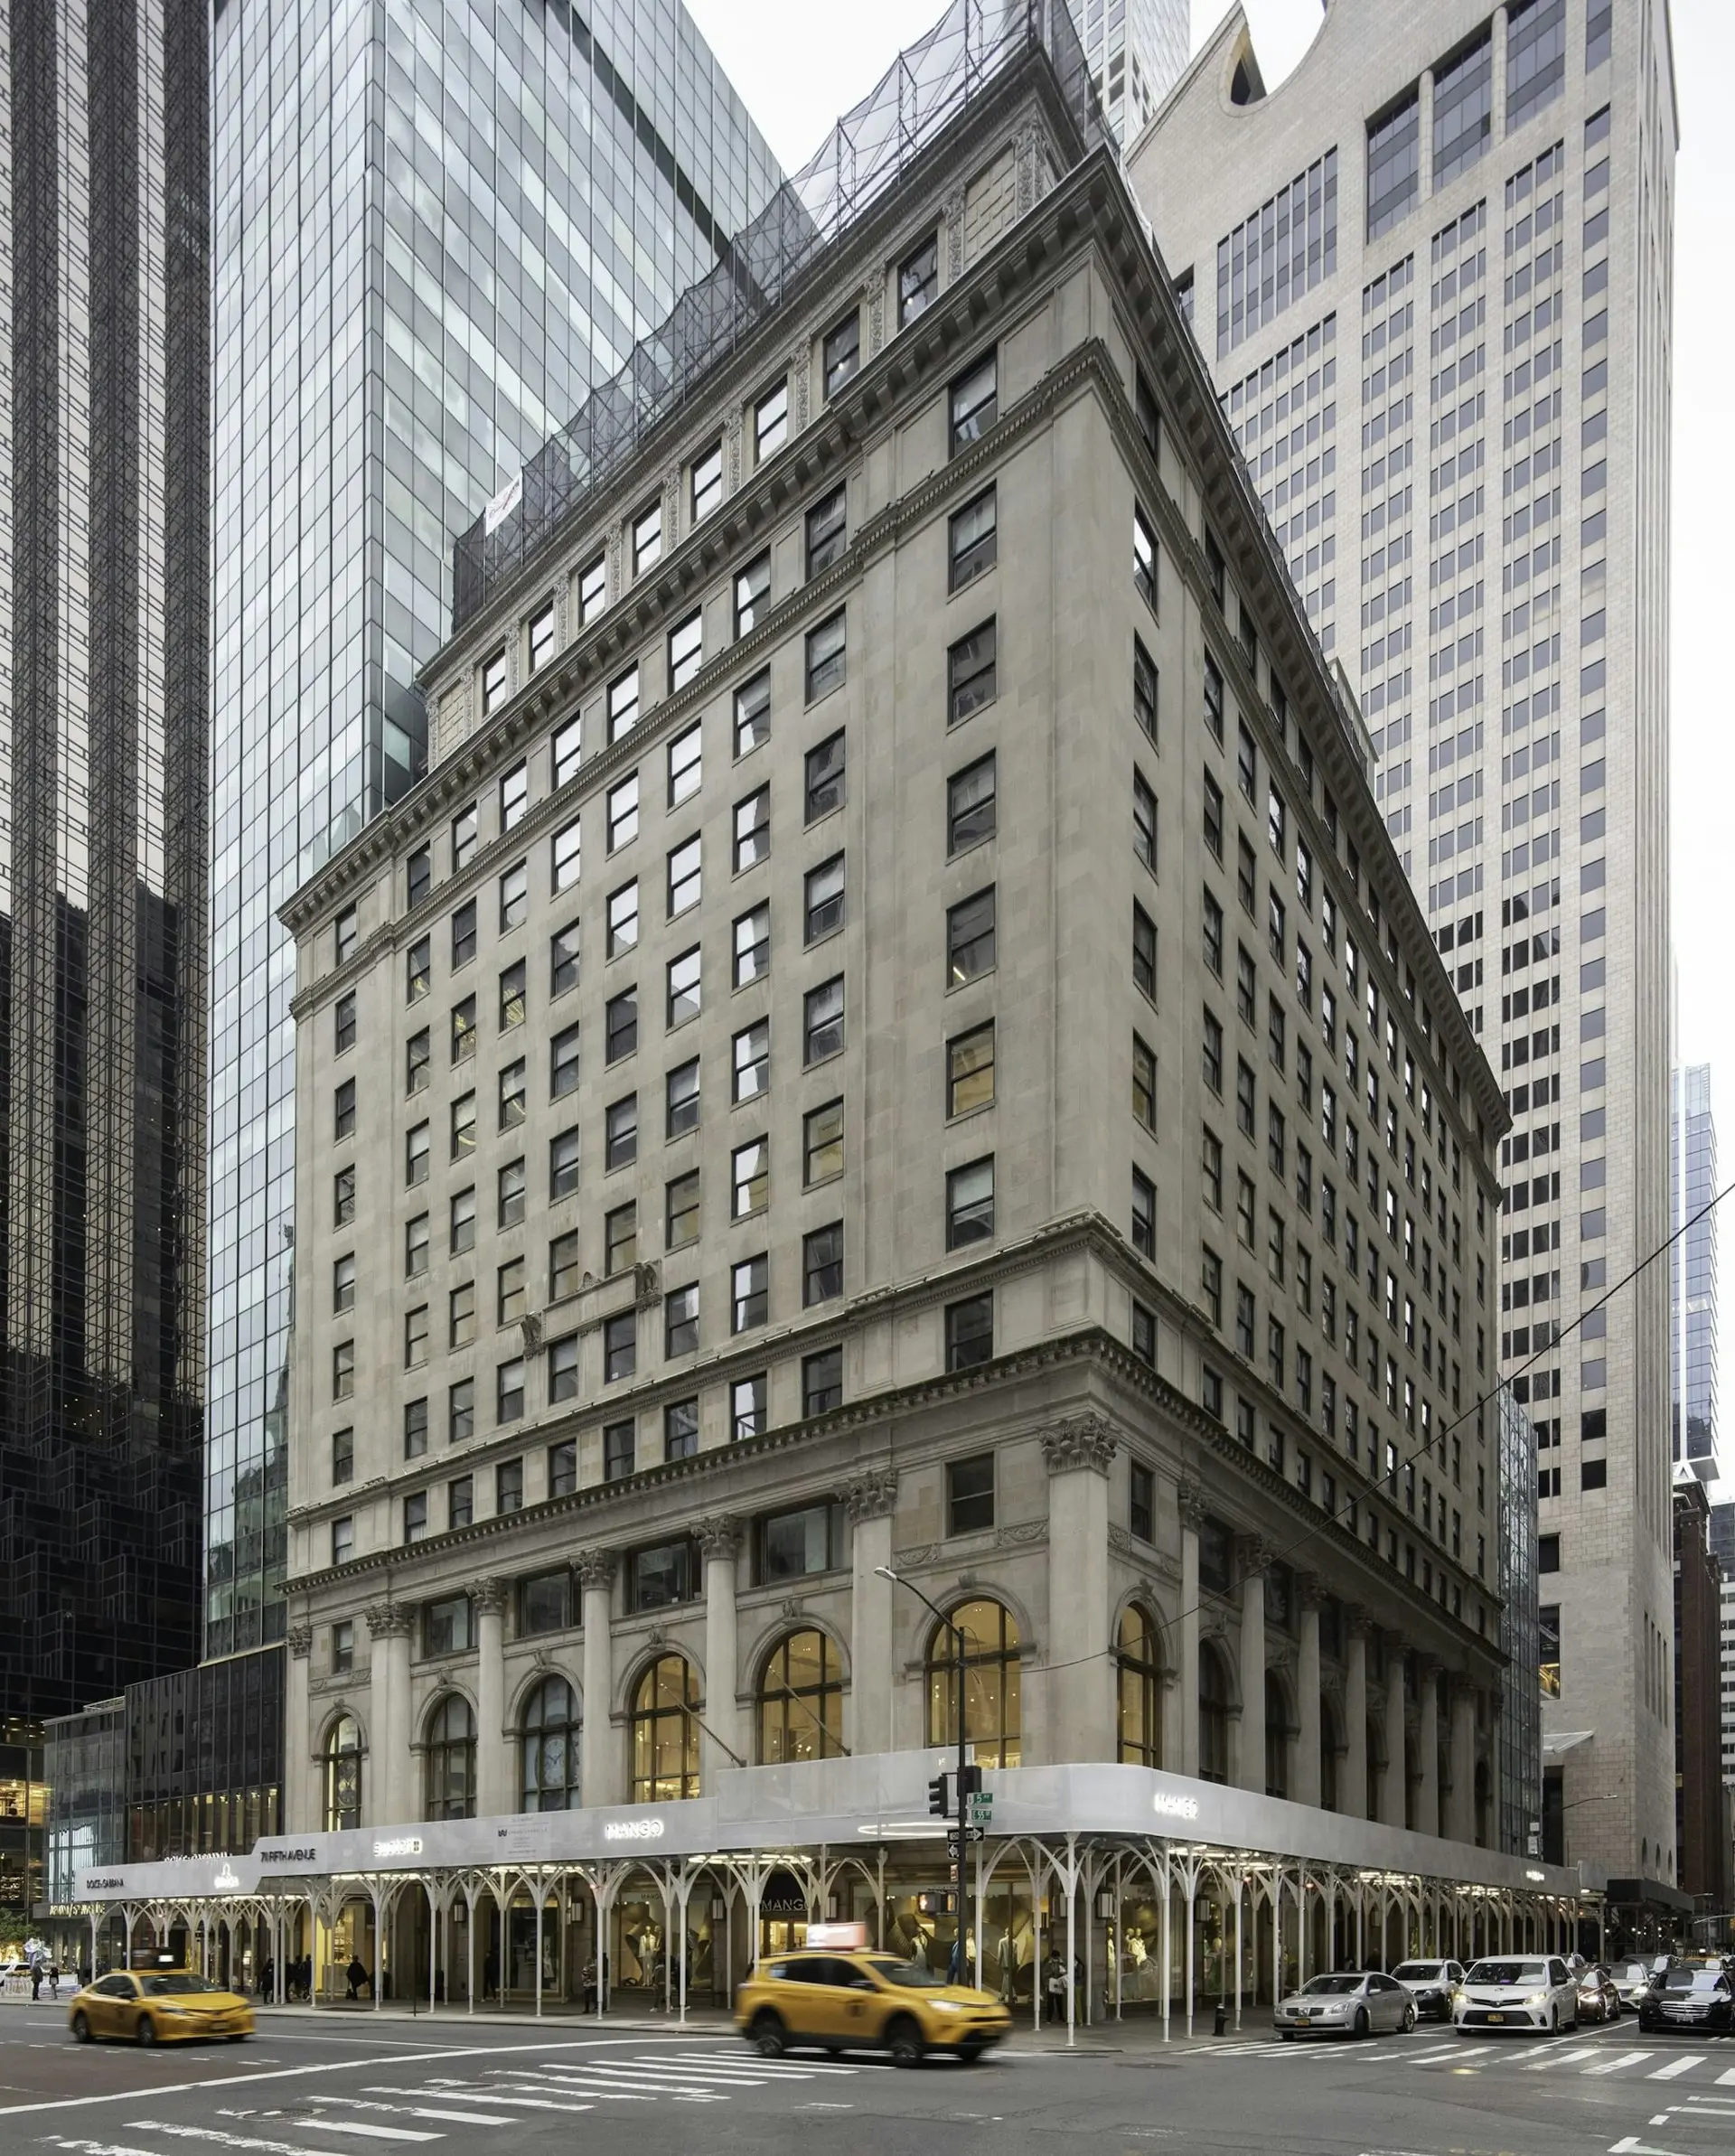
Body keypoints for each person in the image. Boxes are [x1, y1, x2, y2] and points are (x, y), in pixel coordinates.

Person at [1044, 1948, 1066, 2024]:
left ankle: (1061, 2017)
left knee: (1059, 2002)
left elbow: (1065, 1972)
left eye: (1057, 1958)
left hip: (1059, 1983)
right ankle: (1049, 2018)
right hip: (1050, 1984)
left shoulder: (1062, 1963)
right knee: (1050, 2002)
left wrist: (1062, 1971)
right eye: (1055, 1958)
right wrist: (1050, 1973)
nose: (1056, 1959)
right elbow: (1044, 1974)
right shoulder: (1048, 1964)